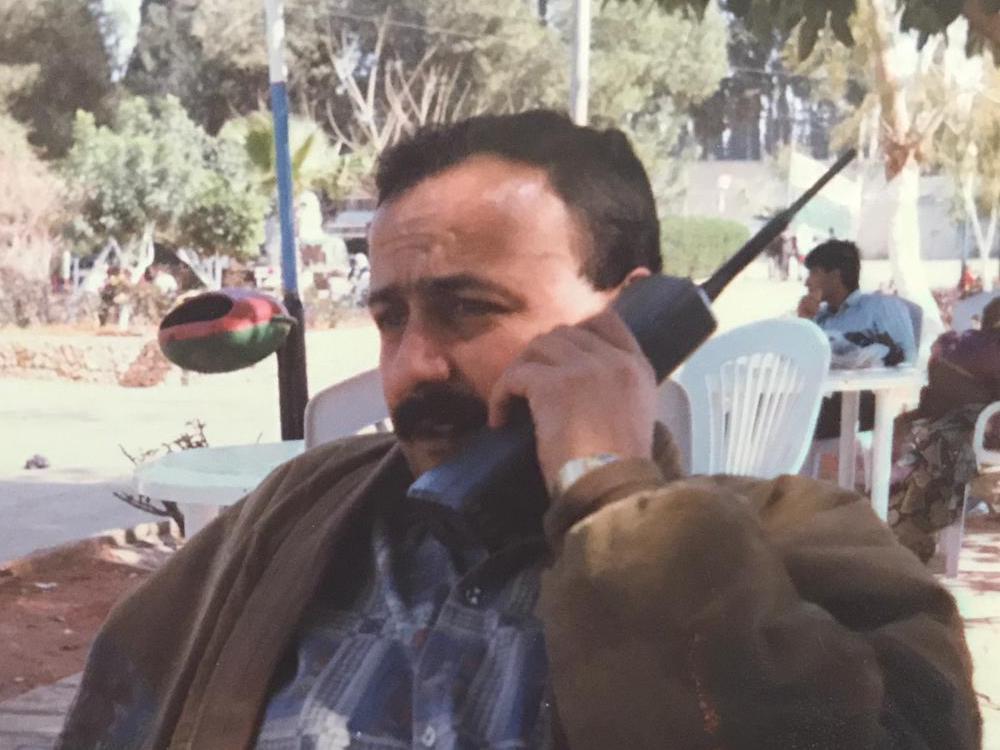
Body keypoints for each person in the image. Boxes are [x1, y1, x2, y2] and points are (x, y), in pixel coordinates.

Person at [60, 111, 979, 749]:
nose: (412, 365)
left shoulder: (797, 539)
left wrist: (611, 493)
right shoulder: (296, 519)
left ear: (627, 322)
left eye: (467, 309)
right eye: (389, 318)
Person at [890, 297, 1000, 561]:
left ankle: (908, 522)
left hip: (936, 423)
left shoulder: (952, 342)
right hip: (977, 428)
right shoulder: (990, 349)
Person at [798, 239, 917, 440]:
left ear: (835, 275)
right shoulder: (820, 316)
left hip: (867, 402)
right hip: (826, 399)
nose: (807, 282)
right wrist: (805, 320)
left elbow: (907, 359)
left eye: (814, 273)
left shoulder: (879, 307)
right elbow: (801, 363)